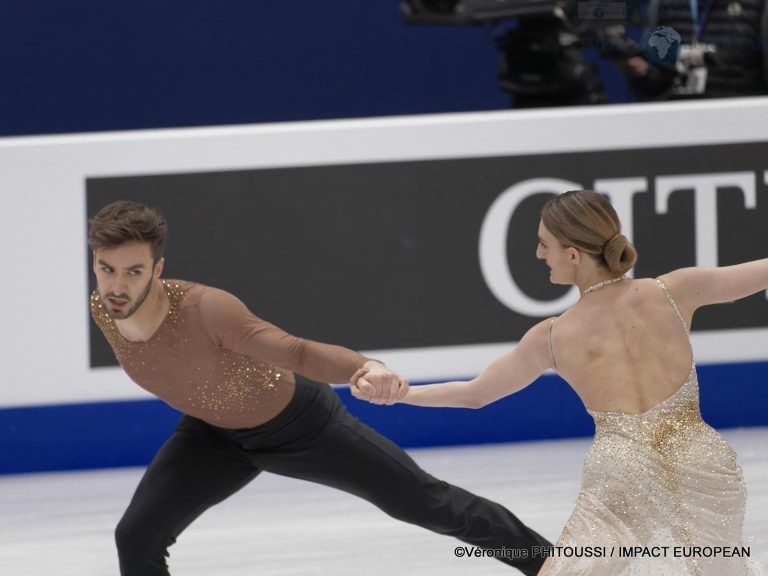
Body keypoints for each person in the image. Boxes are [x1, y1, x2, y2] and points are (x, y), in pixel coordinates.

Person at [87, 200, 551, 576]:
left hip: (300, 426)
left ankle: (553, 566)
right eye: (107, 270)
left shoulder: (205, 309)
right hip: (213, 435)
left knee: (426, 503)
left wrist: (363, 366)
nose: (117, 287)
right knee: (136, 537)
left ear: (158, 267)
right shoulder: (103, 309)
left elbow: (297, 353)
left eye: (133, 271)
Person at [353, 190, 764, 575]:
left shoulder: (552, 336)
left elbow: (475, 395)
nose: (538, 254)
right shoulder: (673, 290)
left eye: (544, 244)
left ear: (573, 254)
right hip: (703, 459)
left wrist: (400, 395)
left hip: (622, 473)